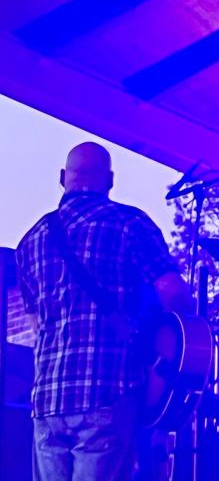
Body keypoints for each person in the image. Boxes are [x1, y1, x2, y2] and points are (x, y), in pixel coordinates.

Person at [16, 142, 194, 481]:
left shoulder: (30, 241)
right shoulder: (129, 224)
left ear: (62, 178)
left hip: (48, 400)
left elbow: (36, 325)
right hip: (107, 390)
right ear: (109, 181)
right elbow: (173, 293)